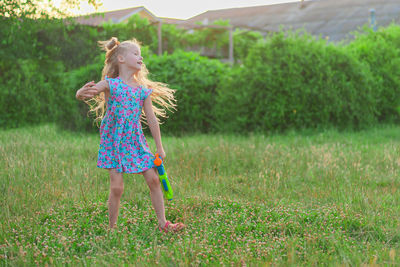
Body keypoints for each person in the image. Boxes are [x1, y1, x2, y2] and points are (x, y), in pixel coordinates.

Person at [75, 37, 185, 233]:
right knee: (117, 188)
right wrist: (79, 93)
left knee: (153, 179)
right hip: (114, 142)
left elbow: (152, 120)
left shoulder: (143, 91)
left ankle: (163, 224)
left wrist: (159, 147)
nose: (140, 57)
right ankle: (112, 228)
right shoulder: (110, 84)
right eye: (135, 54)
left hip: (135, 141)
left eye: (140, 54)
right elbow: (88, 93)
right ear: (121, 59)